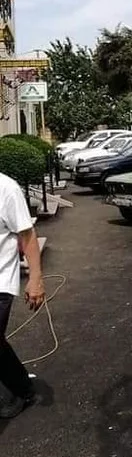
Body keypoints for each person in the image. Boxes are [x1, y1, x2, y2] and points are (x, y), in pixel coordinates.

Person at [0, 172, 45, 419]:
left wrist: (35, 278)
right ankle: (21, 385)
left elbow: (27, 235)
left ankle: (23, 391)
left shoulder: (6, 188)